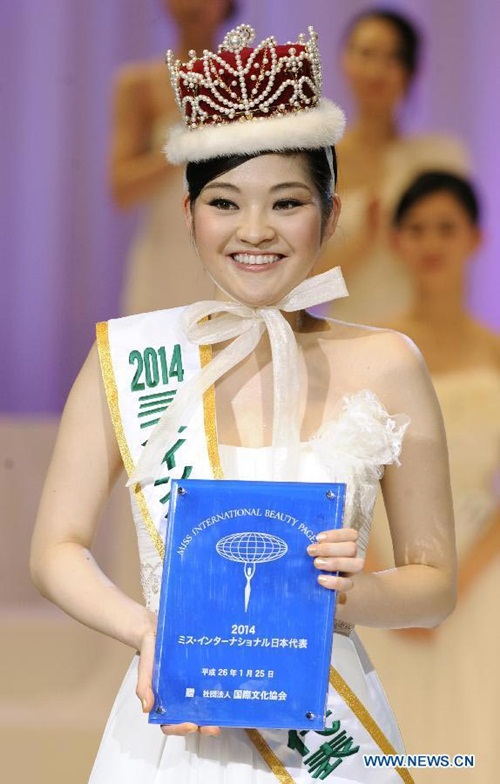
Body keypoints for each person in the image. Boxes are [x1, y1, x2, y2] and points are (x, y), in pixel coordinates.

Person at [31, 24, 456, 783]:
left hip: (325, 730)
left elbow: (434, 585)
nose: (254, 231)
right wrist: (148, 631)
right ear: (189, 214)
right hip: (167, 727)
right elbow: (55, 548)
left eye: (286, 202)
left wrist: (353, 593)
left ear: (330, 215)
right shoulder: (128, 355)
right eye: (224, 203)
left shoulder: (390, 364)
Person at [359, 171, 500, 782]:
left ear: (475, 237)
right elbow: (349, 471)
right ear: (396, 242)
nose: (431, 242)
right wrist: (381, 579)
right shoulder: (375, 348)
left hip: (481, 565)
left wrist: (460, 581)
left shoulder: (495, 354)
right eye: (416, 229)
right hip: (383, 559)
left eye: (446, 227)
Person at [314, 7, 469, 324]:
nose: (376, 70)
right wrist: (360, 246)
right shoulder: (319, 162)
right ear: (345, 60)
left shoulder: (437, 160)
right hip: (350, 324)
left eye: (392, 58)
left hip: (422, 327)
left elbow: (457, 263)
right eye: (366, 54)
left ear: (411, 70)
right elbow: (300, 283)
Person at [111, 0, 237, 315]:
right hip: (164, 261)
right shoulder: (140, 85)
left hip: (233, 256)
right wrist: (183, 145)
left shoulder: (250, 81)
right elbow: (121, 189)